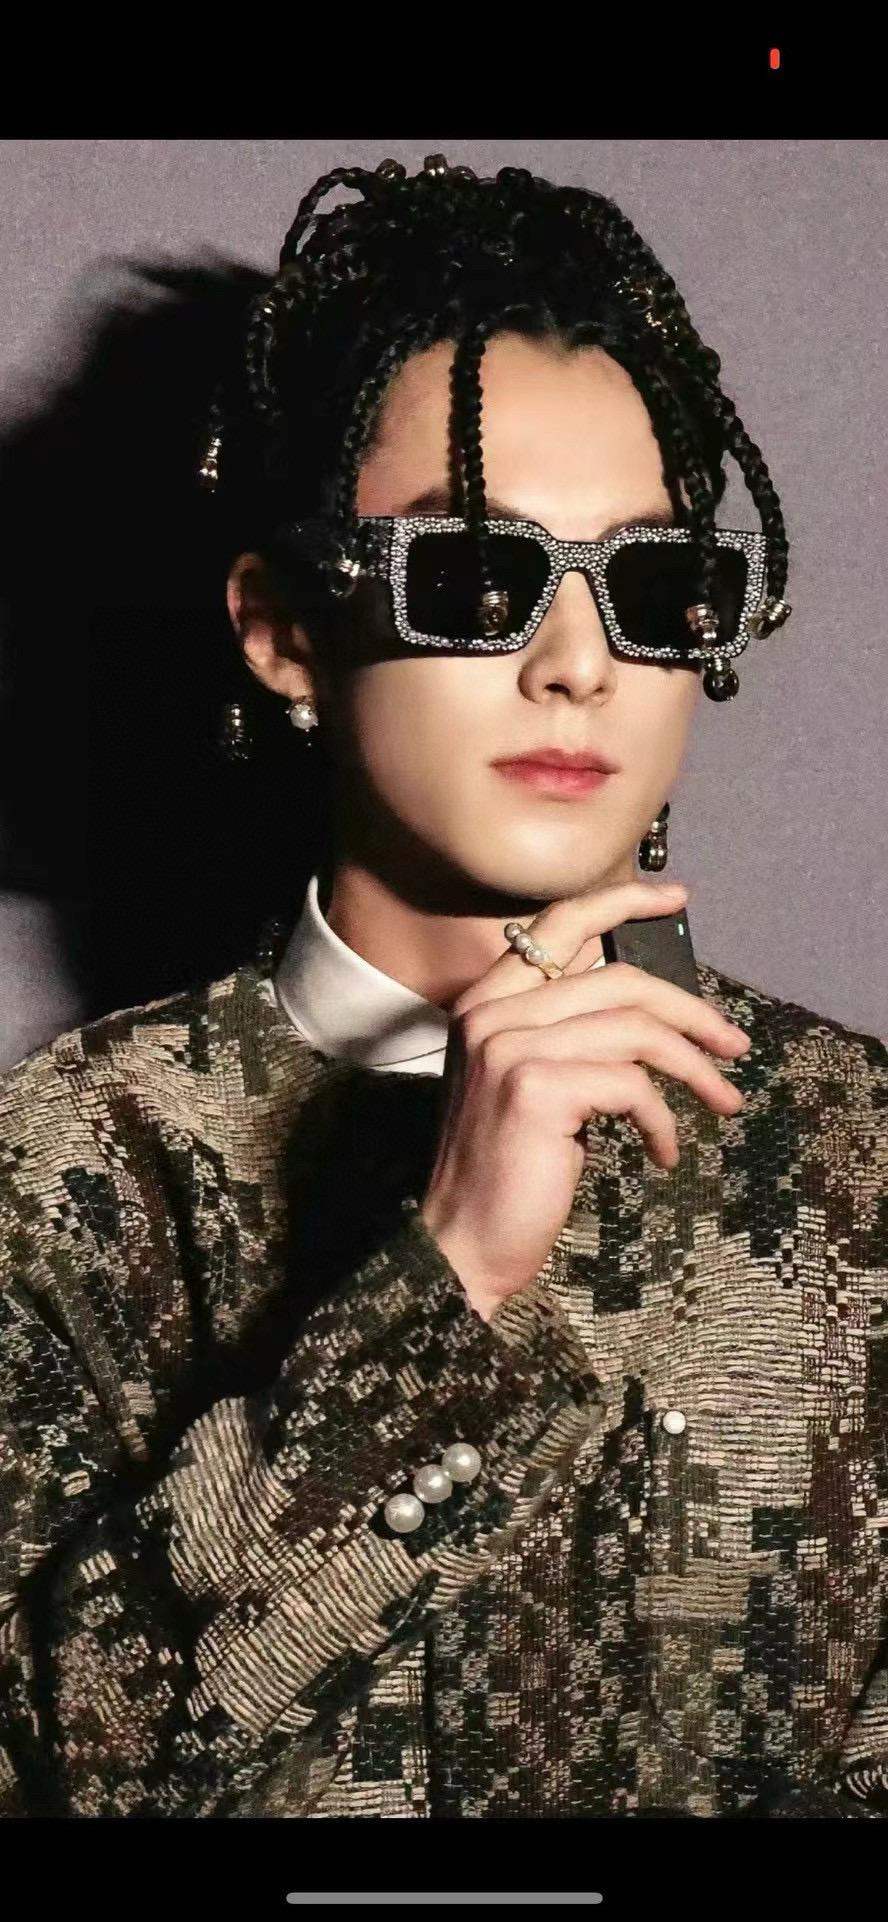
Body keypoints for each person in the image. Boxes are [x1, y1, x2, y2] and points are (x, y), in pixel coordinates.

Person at [0, 153, 885, 1821]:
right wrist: (445, 1282)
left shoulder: (857, 1162)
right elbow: (64, 1770)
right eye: (474, 579)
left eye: (653, 586)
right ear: (284, 632)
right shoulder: (68, 1166)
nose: (577, 663)